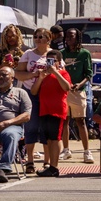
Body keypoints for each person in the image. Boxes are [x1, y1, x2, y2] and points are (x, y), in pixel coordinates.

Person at [15, 27, 54, 173]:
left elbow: (61, 72)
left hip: (48, 93)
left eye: (41, 36)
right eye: (36, 37)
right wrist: (33, 75)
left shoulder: (54, 54)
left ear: (49, 39)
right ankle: (30, 161)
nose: (38, 39)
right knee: (31, 126)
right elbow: (18, 74)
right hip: (30, 93)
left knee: (46, 127)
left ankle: (46, 162)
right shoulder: (28, 54)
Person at [30, 49, 71, 177]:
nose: (50, 63)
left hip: (57, 110)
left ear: (59, 62)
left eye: (53, 61)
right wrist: (41, 78)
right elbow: (34, 91)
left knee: (55, 138)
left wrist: (55, 72)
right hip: (44, 110)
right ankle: (51, 166)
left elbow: (67, 87)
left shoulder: (63, 73)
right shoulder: (44, 75)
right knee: (48, 139)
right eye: (49, 61)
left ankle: (54, 166)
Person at [60, 27, 95, 164]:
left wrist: (79, 85)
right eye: (67, 36)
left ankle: (87, 151)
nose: (69, 38)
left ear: (78, 37)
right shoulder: (62, 53)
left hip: (78, 91)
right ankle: (66, 150)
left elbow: (88, 74)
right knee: (65, 121)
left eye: (72, 36)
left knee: (80, 121)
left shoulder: (84, 53)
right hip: (64, 90)